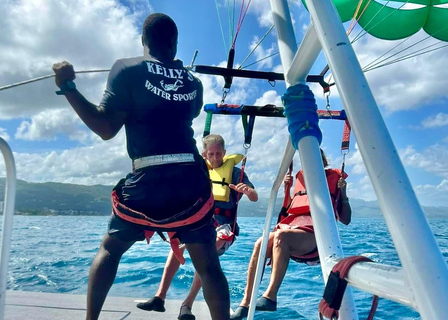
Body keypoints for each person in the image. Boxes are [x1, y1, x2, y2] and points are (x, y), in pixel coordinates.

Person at [52, 13, 230, 320]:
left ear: (143, 41)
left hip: (147, 182)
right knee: (209, 264)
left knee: (110, 249)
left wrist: (68, 86)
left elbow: (105, 127)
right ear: (175, 44)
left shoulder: (126, 68)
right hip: (190, 182)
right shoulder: (194, 83)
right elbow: (190, 106)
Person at [137, 134, 258, 320]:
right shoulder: (198, 171)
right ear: (205, 155)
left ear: (225, 153)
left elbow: (255, 197)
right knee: (178, 245)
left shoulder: (235, 173)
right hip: (199, 223)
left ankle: (187, 304)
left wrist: (249, 192)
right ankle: (159, 297)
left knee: (207, 252)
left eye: (219, 153)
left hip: (223, 228)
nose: (216, 157)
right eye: (212, 154)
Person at [230, 149, 351, 320]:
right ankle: (245, 303)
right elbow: (288, 211)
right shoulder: (300, 179)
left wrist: (343, 194)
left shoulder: (334, 179)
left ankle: (270, 296)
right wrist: (287, 188)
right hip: (294, 228)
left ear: (323, 161)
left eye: (316, 160)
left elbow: (346, 219)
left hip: (315, 236)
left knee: (281, 237)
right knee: (260, 243)